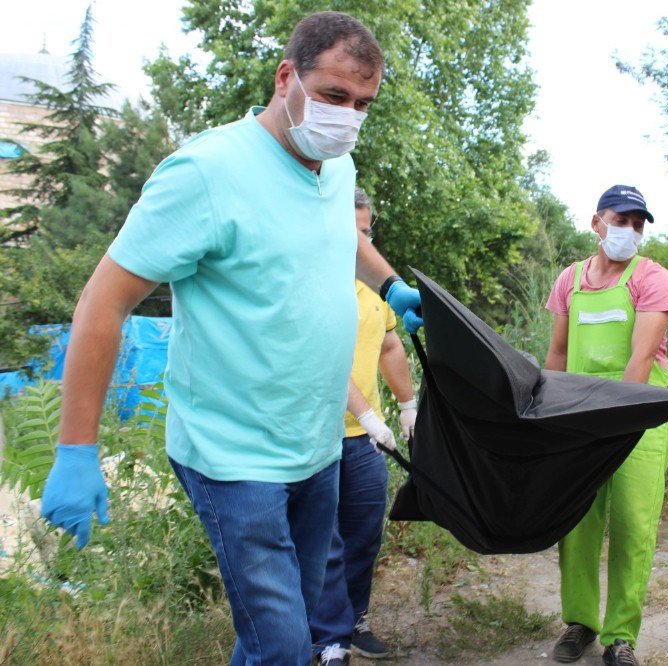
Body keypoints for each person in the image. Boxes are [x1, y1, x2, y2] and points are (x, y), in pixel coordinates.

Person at [38, 12, 424, 666]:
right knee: (282, 649)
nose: (347, 117)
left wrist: (388, 286)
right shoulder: (206, 173)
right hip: (233, 456)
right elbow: (104, 301)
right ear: (285, 78)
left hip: (315, 443)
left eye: (363, 104)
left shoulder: (334, 162)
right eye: (334, 96)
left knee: (284, 637)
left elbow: (343, 235)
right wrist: (76, 447)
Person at [543, 185, 668, 666]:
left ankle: (621, 637)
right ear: (596, 222)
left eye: (638, 224)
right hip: (579, 418)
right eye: (622, 221)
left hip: (637, 416)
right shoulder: (570, 280)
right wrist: (549, 416)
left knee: (632, 525)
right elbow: (557, 353)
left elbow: (641, 357)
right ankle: (580, 622)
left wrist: (618, 424)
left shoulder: (653, 278)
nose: (631, 231)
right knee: (576, 523)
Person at [309, 188, 417, 665]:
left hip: (364, 444)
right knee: (321, 541)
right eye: (350, 229)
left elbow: (390, 345)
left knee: (362, 534)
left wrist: (407, 404)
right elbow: (320, 364)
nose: (359, 239)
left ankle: (353, 621)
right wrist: (369, 416)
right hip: (317, 438)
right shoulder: (311, 285)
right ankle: (322, 635)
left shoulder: (374, 291)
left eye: (365, 230)